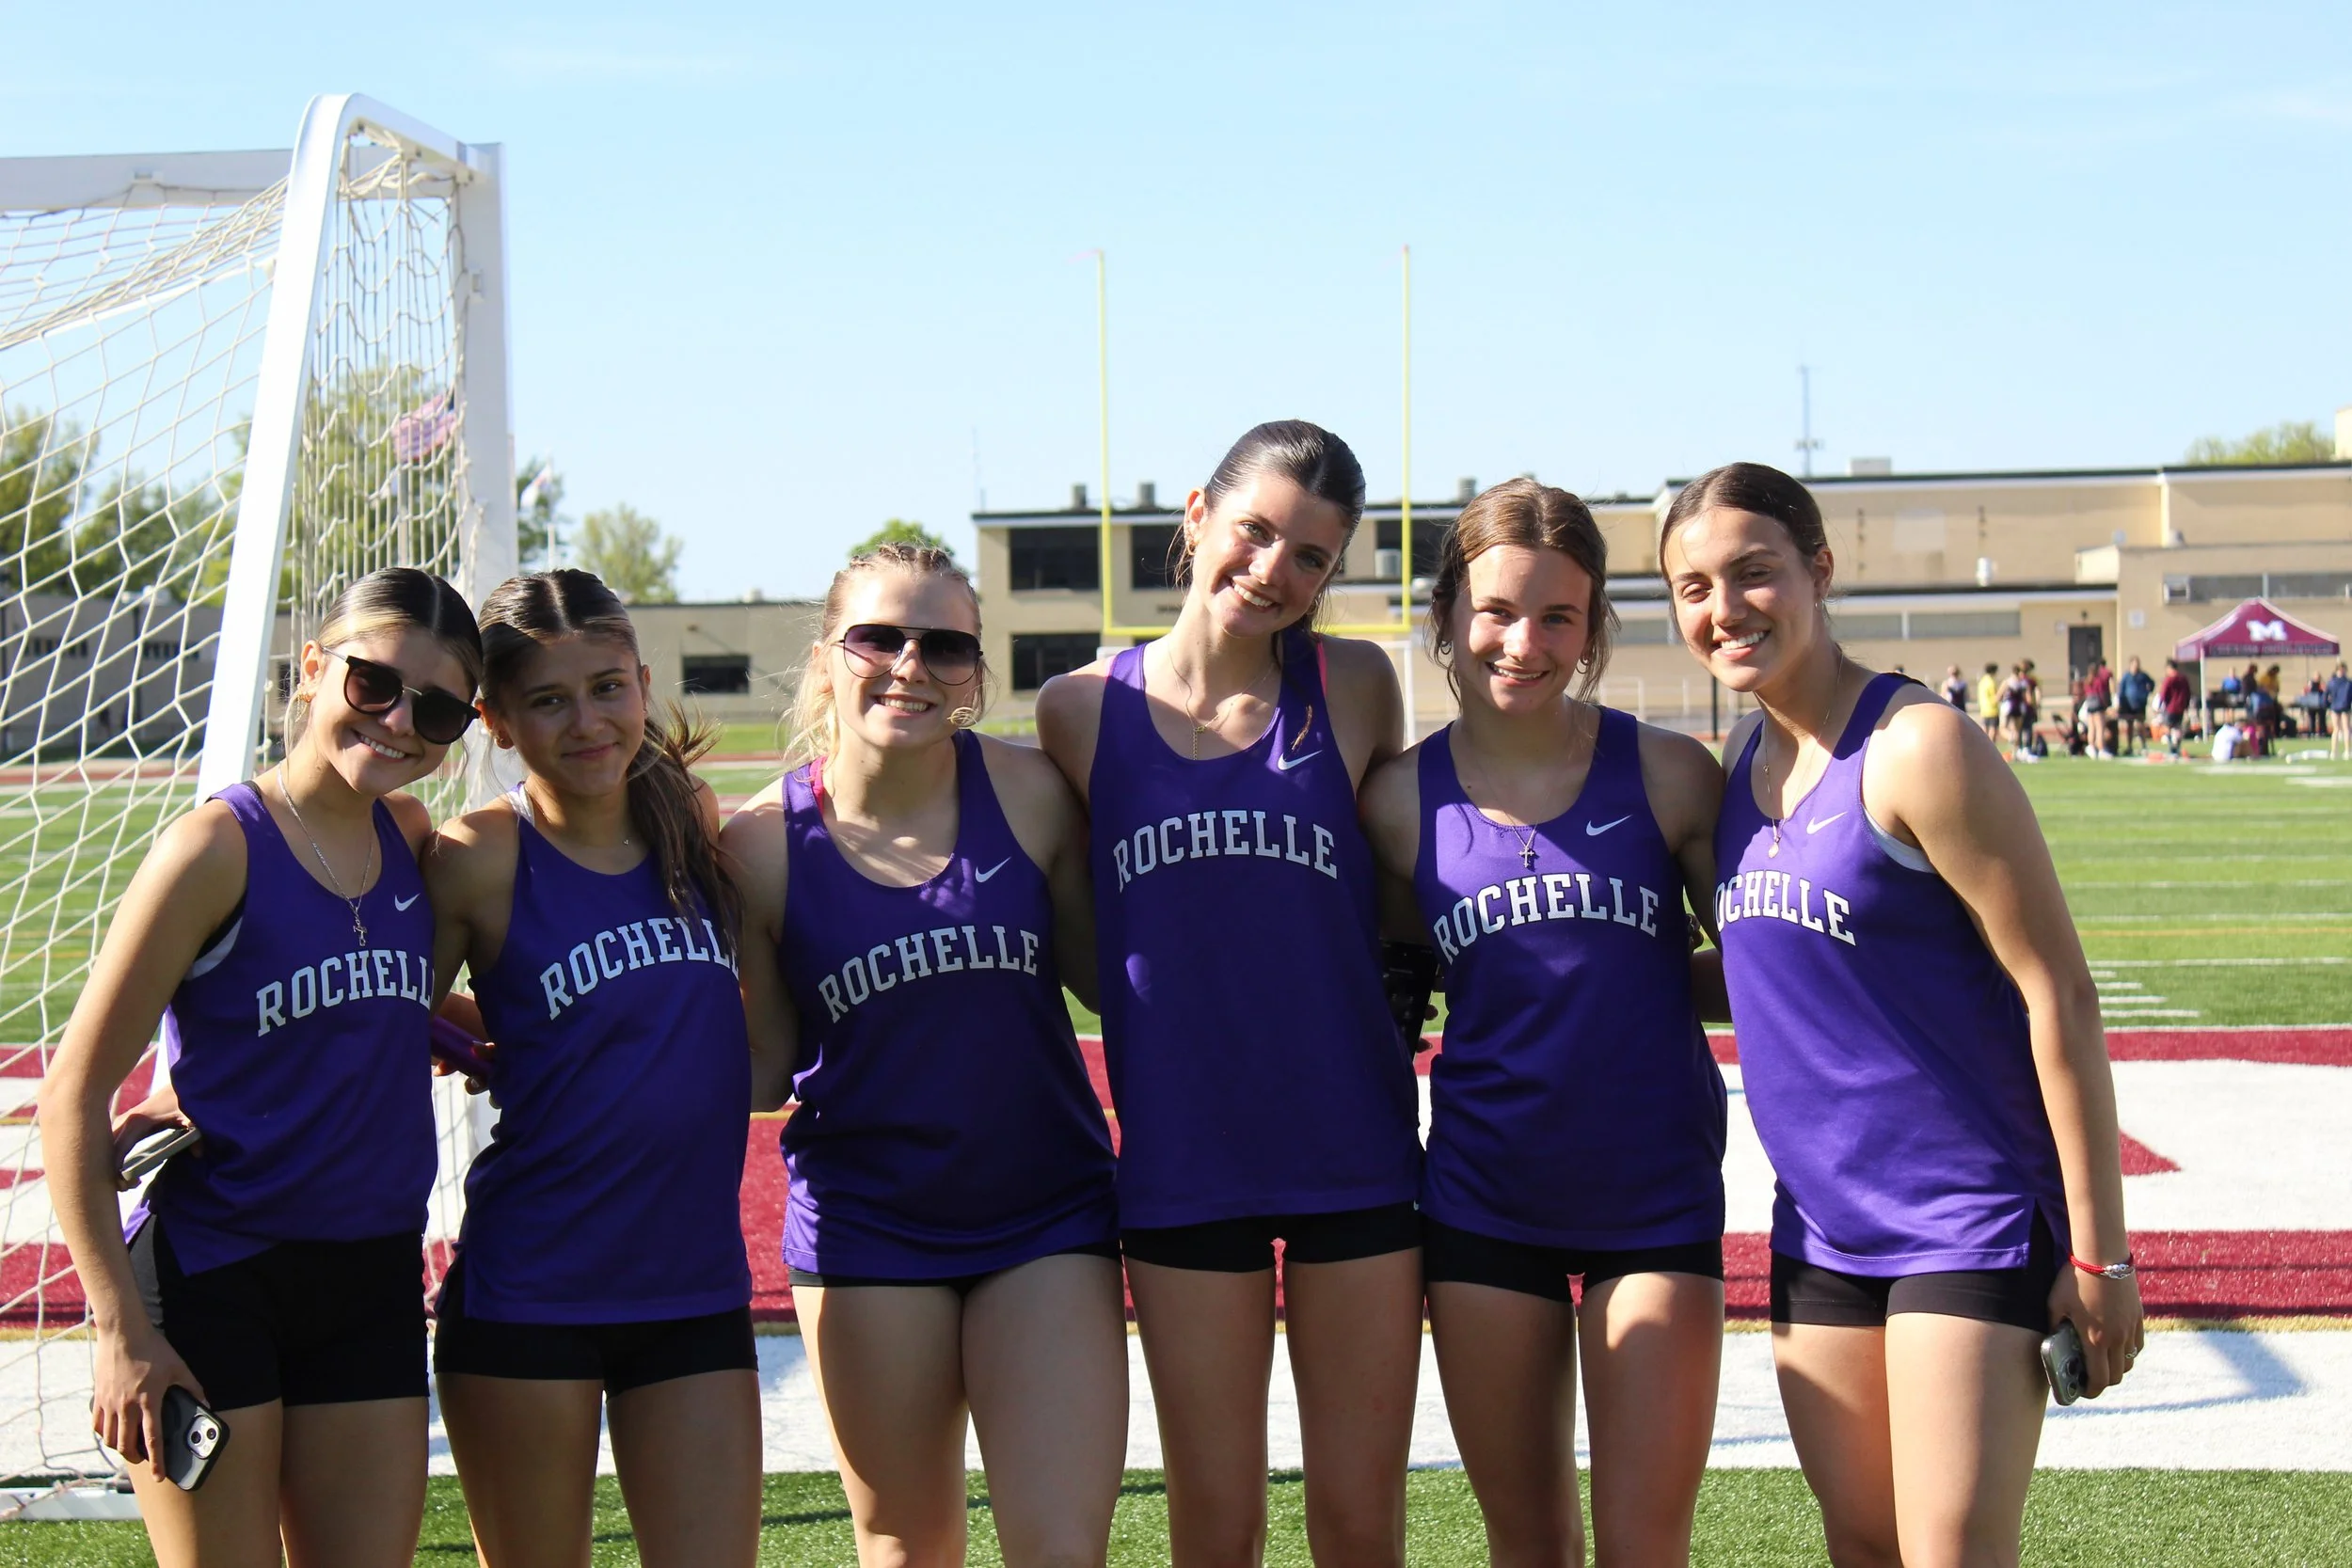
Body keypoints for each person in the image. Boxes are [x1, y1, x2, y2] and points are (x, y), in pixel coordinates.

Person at [1660, 463, 2142, 1566]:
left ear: (1818, 570)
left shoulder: (1916, 745)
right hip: (1819, 1230)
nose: (1722, 608)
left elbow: (2055, 990)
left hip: (1962, 1218)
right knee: (1863, 1549)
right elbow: (1772, 978)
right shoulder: (1742, 767)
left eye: (1752, 572)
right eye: (1692, 587)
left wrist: (2101, 1254)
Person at [1036, 420, 1422, 1567]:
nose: (1274, 571)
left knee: (1358, 1522)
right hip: (1182, 1158)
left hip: (1351, 1145)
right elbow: (1074, 938)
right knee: (1217, 1522)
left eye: (1312, 556)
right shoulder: (1076, 710)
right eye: (1254, 531)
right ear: (1197, 517)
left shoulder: (1352, 684)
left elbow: (1393, 905)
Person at [40, 568, 482, 1568]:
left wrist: (461, 1035)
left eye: (440, 707)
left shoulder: (409, 836)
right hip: (212, 1281)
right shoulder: (214, 846)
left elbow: (375, 991)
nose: (401, 720)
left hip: (369, 1273)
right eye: (374, 684)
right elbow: (70, 1096)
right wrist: (118, 1332)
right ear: (315, 666)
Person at [726, 544, 1126, 1567]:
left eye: (944, 644)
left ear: (975, 675)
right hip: (868, 1229)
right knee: (906, 1541)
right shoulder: (762, 844)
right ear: (827, 657)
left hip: (1045, 1215)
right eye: (879, 637)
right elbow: (762, 1070)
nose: (910, 663)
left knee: (1062, 1547)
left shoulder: (1033, 795)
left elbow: (1116, 984)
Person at [1359, 480, 1727, 1565]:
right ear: (1444, 619)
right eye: (1496, 612)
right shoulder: (1392, 802)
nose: (1524, 642)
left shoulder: (1667, 775)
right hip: (1482, 1203)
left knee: (1643, 1546)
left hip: (1653, 1202)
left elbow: (1764, 965)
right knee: (1525, 1543)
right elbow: (1389, 988)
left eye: (1557, 616)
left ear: (1593, 627)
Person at [422, 569, 760, 1568]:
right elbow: (371, 997)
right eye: (548, 699)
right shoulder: (476, 856)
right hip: (531, 1292)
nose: (587, 721)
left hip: (692, 1289)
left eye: (608, 687)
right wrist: (467, 1032)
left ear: (644, 685)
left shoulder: (687, 819)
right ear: (495, 720)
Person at [2115, 656, 2153, 757]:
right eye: (2134, 664)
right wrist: (2121, 702)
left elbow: (2151, 683)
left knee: (2140, 725)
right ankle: (2129, 746)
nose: (2136, 666)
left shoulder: (2142, 675)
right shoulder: (2126, 676)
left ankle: (2144, 745)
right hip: (2128, 705)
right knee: (2130, 726)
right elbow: (2121, 690)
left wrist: (2146, 693)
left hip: (2140, 704)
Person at [2156, 658, 2193, 756]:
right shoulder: (2183, 679)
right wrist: (2186, 705)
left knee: (2167, 727)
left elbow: (2163, 693)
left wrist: (2159, 705)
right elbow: (2188, 693)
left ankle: (2172, 747)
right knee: (2177, 727)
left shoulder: (2169, 679)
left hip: (2171, 707)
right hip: (2181, 707)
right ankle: (2177, 746)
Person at [2077, 659, 2112, 759]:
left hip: (2090, 705)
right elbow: (2101, 693)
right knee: (2100, 728)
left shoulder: (2087, 681)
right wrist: (2106, 705)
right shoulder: (2098, 680)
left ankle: (2091, 747)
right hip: (2098, 705)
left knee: (2091, 728)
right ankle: (2101, 749)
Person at [2328, 660, 2352, 762]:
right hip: (2340, 707)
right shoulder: (2347, 682)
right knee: (2339, 729)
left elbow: (2326, 696)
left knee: (2344, 729)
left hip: (2340, 707)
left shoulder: (2334, 682)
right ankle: (2338, 751)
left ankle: (2344, 751)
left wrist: (2328, 705)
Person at [1974, 663, 2001, 739]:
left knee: (1985, 728)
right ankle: (1992, 745)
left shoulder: (1982, 681)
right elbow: (1995, 697)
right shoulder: (1991, 682)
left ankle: (1983, 745)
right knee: (1993, 729)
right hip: (1992, 709)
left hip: (1984, 708)